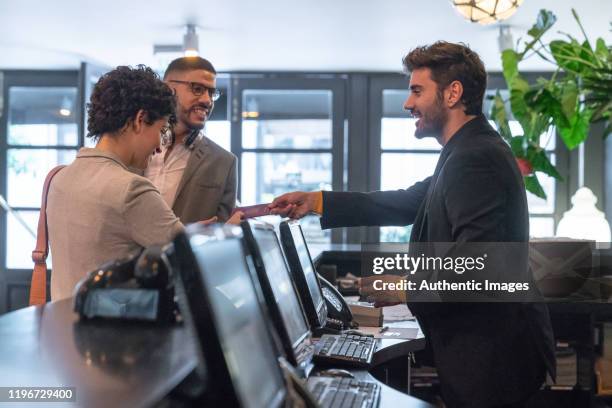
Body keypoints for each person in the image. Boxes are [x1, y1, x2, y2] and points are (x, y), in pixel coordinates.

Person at [269, 42, 555, 408]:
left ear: (453, 93)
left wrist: (404, 287)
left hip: (494, 356)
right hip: (486, 349)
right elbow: (406, 202)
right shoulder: (463, 150)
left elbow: (483, 265)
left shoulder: (475, 156)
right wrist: (316, 201)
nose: (408, 104)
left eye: (417, 91)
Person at [47, 65, 240, 301]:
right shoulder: (132, 189)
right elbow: (193, 264)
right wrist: (229, 233)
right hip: (115, 330)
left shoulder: (60, 179)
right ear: (140, 120)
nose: (160, 145)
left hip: (61, 326)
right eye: (161, 130)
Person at [144, 57, 237, 223]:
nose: (207, 100)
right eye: (197, 89)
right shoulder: (135, 144)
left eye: (211, 93)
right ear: (168, 88)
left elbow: (221, 235)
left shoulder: (224, 163)